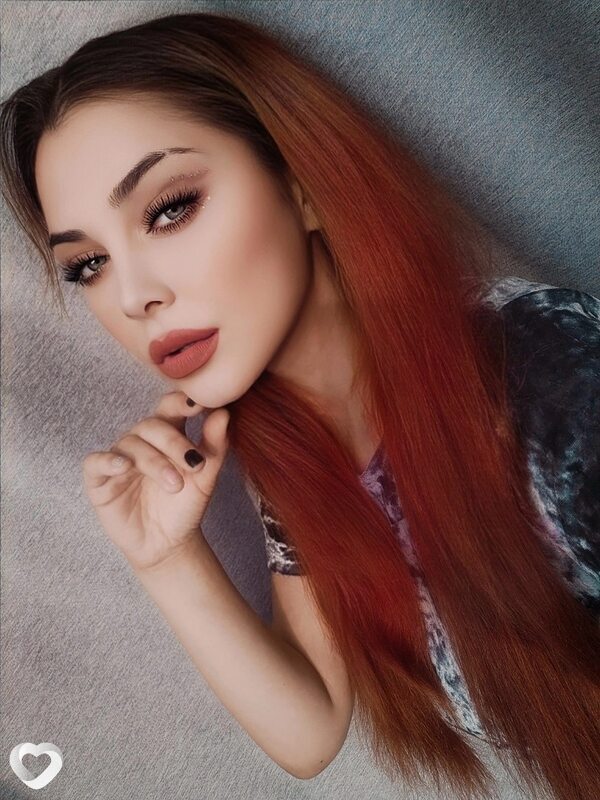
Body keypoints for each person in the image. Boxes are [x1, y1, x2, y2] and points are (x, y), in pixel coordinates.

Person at [1, 11, 598, 800]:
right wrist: (164, 557)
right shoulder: (297, 453)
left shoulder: (546, 367)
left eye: (170, 208)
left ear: (302, 183)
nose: (135, 295)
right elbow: (309, 728)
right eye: (88, 265)